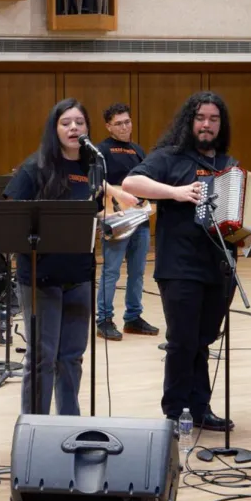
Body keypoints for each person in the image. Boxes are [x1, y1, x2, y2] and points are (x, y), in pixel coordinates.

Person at [123, 91, 249, 431]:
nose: (207, 124)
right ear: (189, 121)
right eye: (200, 118)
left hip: (219, 266)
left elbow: (236, 218)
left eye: (213, 119)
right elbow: (131, 183)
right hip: (179, 266)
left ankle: (200, 408)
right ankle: (174, 411)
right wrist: (175, 192)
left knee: (203, 341)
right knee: (182, 342)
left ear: (221, 124)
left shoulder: (229, 164)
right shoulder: (169, 157)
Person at [2, 98, 95, 416]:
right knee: (42, 357)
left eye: (79, 122)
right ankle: (35, 428)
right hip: (41, 277)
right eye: (66, 123)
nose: (73, 128)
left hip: (79, 274)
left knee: (71, 357)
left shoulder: (92, 168)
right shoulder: (35, 167)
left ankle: (69, 424)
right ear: (54, 129)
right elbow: (9, 217)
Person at [94, 102, 159, 341]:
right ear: (108, 126)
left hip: (140, 219)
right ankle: (104, 320)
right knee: (111, 271)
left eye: (127, 122)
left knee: (137, 272)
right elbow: (96, 182)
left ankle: (133, 318)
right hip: (116, 217)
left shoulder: (138, 150)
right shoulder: (101, 151)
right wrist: (116, 199)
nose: (124, 127)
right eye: (118, 123)